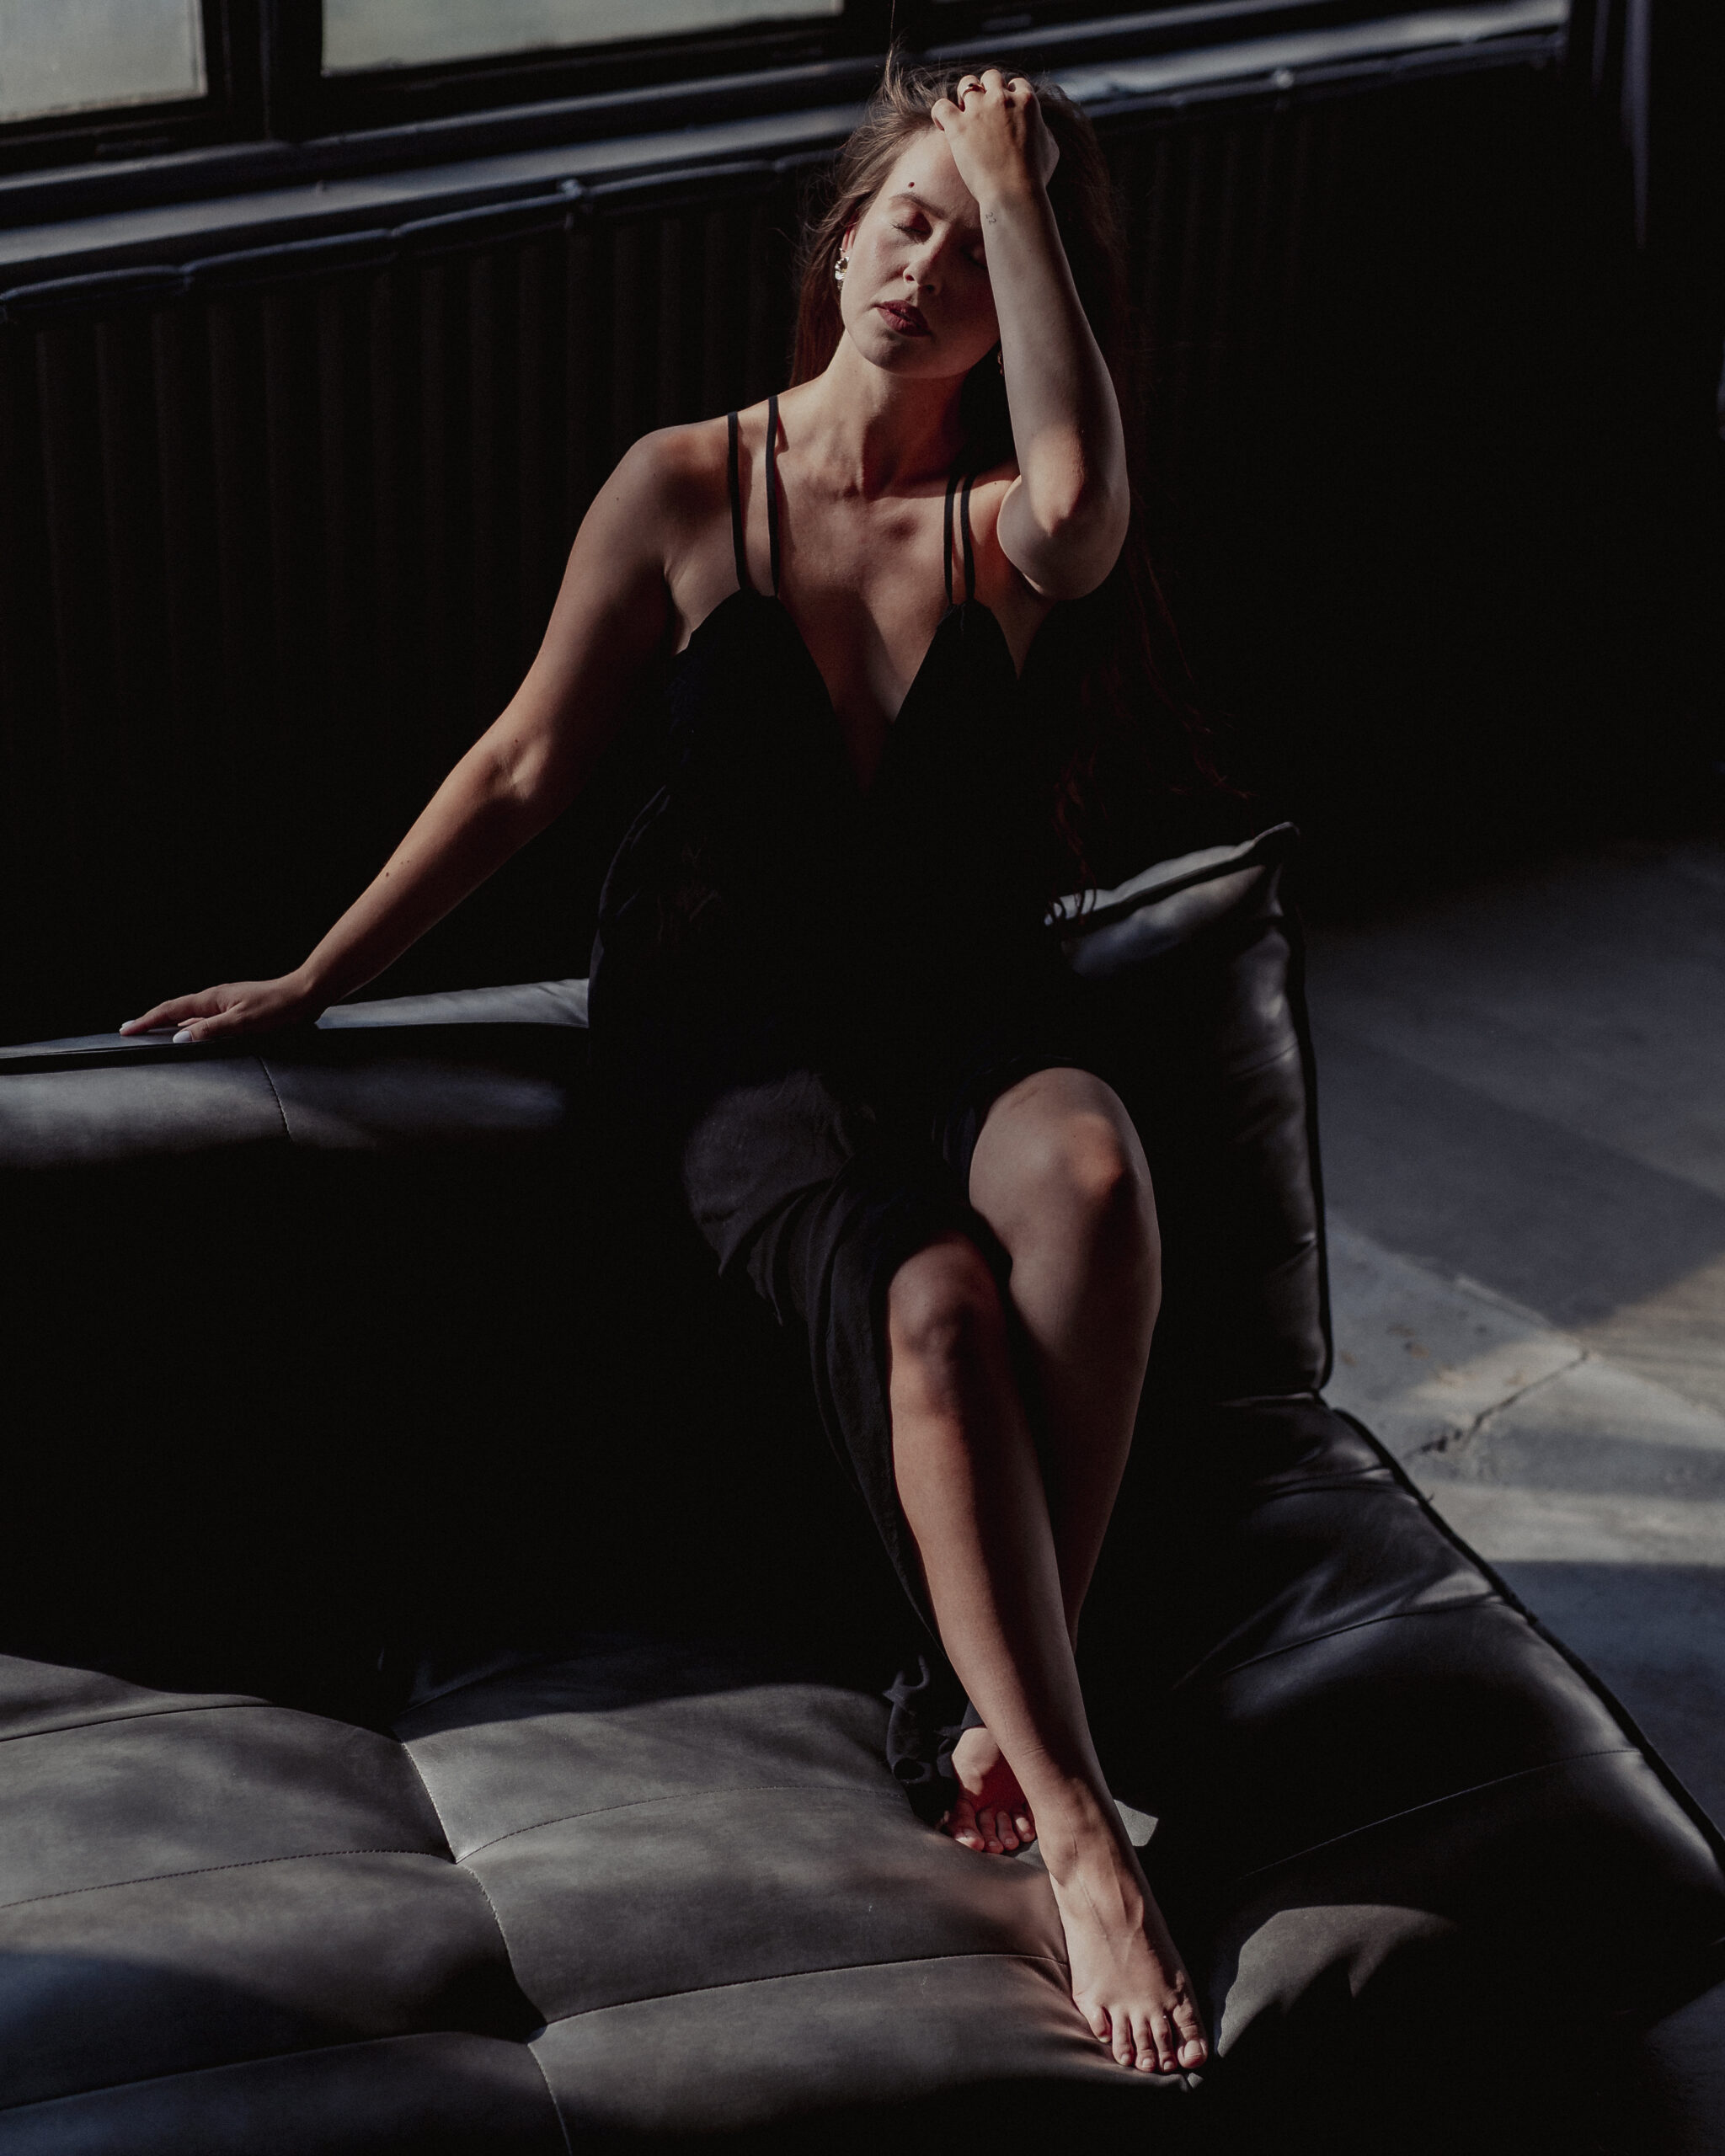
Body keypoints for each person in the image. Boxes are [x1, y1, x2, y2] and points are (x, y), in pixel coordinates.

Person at [122, 61, 1214, 2078]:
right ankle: (1076, 1826)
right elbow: (522, 763)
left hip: (953, 1002)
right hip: (729, 1032)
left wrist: (1012, 179)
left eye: (969, 248)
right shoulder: (686, 485)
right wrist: (316, 973)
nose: (918, 268)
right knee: (932, 1299)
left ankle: (988, 1702)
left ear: (1022, 301)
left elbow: (1084, 507)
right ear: (839, 237)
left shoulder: (1007, 522)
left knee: (1091, 1174)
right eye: (898, 220)